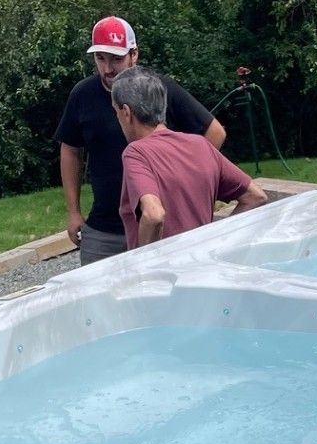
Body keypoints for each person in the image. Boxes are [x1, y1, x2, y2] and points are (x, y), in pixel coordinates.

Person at [55, 16, 227, 264]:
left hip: (160, 225)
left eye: (116, 59)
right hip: (105, 228)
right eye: (100, 58)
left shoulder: (158, 89)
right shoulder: (83, 94)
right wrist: (73, 212)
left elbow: (215, 132)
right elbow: (70, 149)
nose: (107, 68)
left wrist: (186, 179)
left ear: (134, 54)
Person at [112, 68, 266, 247]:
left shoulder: (136, 153)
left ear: (126, 112)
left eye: (115, 110)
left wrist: (145, 260)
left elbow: (153, 214)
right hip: (202, 260)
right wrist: (218, 240)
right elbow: (255, 196)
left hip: (166, 264)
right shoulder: (200, 144)